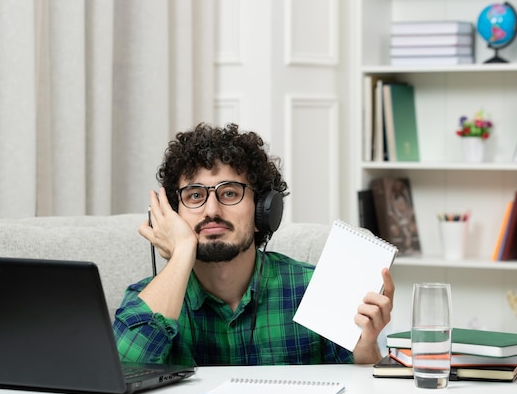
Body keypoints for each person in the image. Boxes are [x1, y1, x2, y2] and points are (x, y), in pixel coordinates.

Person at [112, 123, 395, 366]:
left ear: (263, 211)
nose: (211, 210)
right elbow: (124, 373)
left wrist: (367, 343)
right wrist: (182, 250)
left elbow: (360, 382)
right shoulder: (145, 300)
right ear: (175, 214)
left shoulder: (314, 288)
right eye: (195, 196)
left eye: (230, 193)